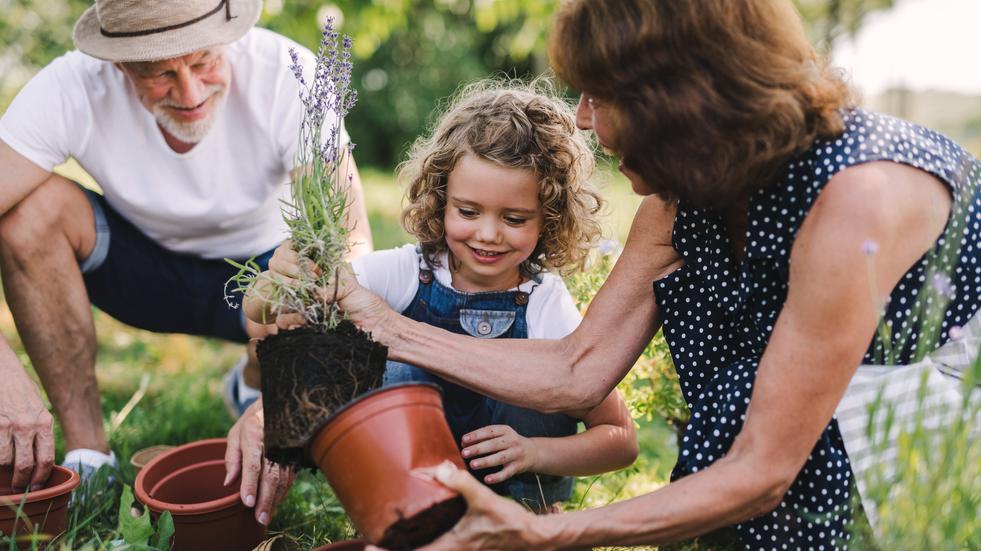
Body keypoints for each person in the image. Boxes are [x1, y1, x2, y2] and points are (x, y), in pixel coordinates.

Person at [256, 0, 980, 549]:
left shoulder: (854, 201)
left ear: (678, 102)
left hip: (923, 424)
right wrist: (372, 330)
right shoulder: (684, 193)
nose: (579, 117)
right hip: (791, 435)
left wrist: (544, 531)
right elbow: (578, 368)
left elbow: (762, 467)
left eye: (598, 97)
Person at [0, 0, 371, 527]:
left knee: (319, 267)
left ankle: (256, 371)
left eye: (203, 62)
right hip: (142, 273)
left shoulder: (287, 73)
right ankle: (91, 456)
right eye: (159, 74)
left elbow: (350, 249)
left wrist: (281, 397)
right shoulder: (70, 86)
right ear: (119, 64)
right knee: (26, 214)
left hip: (264, 283)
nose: (191, 94)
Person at [245, 82, 639, 512]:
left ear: (549, 217)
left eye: (514, 218)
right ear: (441, 200)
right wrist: (278, 278)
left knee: (541, 377)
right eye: (468, 212)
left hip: (511, 503)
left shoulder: (545, 302)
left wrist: (535, 452)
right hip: (414, 494)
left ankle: (535, 515)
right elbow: (267, 308)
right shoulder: (406, 273)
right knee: (390, 366)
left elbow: (620, 440)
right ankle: (402, 513)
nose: (488, 234)